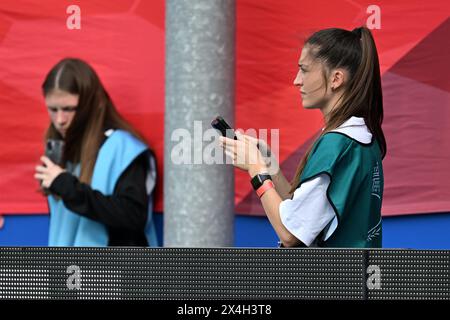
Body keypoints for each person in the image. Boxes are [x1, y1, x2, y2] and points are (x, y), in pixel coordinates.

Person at [220, 27, 386, 248]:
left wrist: (256, 169)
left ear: (336, 78)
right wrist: (271, 170)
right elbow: (302, 213)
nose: (297, 80)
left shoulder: (339, 145)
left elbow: (290, 234)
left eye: (304, 70)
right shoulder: (359, 140)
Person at [34, 58, 158, 247]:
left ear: (88, 104)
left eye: (69, 109)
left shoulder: (124, 147)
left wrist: (71, 189)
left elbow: (133, 216)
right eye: (53, 109)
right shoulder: (58, 148)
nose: (60, 119)